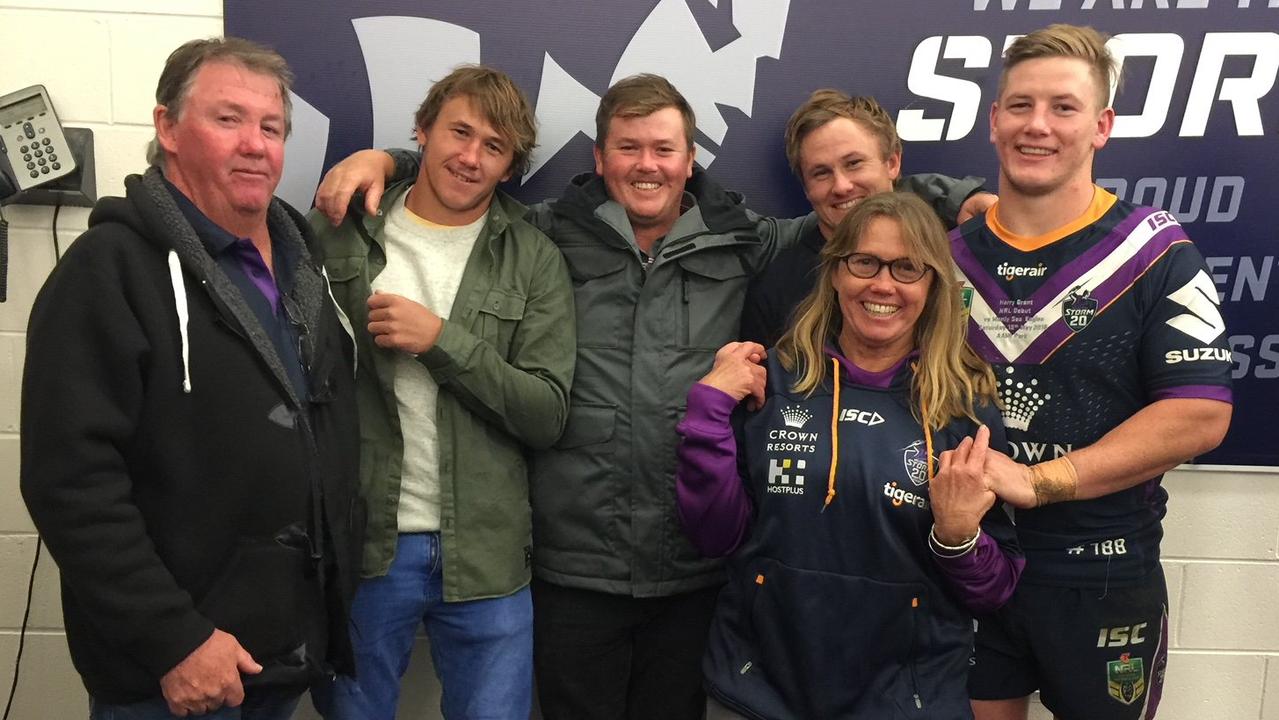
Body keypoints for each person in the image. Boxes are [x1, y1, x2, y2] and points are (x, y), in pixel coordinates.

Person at [310, 74, 988, 719]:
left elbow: (857, 205)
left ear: (689, 159)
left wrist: (954, 194)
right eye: (628, 148)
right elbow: (465, 176)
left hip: (693, 571)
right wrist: (392, 161)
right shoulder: (546, 230)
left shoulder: (744, 240)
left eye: (663, 148)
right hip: (573, 565)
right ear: (601, 160)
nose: (647, 165)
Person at [20, 37, 362, 720]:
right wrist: (173, 639)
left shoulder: (303, 269)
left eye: (271, 127)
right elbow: (70, 482)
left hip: (278, 658)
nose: (254, 145)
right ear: (168, 128)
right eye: (227, 119)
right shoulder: (107, 270)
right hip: (176, 673)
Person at [952, 24, 1234, 720]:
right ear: (993, 120)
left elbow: (1199, 414)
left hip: (1100, 568)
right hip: (966, 558)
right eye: (1019, 105)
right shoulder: (945, 256)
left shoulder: (1156, 252)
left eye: (1063, 107)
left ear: (1101, 125)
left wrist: (1038, 482)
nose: (1036, 125)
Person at [677, 191, 1023, 719]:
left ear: (933, 286)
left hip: (906, 699)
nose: (882, 284)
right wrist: (706, 410)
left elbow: (993, 591)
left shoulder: (964, 410)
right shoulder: (770, 380)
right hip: (757, 690)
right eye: (864, 262)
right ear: (836, 272)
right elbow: (712, 536)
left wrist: (959, 539)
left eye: (907, 268)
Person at [307, 65, 575, 720]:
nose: (470, 157)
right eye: (459, 132)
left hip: (486, 552)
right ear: (421, 131)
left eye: (493, 146)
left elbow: (545, 414)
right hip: (366, 545)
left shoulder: (533, 256)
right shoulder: (337, 231)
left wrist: (440, 342)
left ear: (510, 167)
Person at [742, 90, 992, 348]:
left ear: (892, 163)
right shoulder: (778, 286)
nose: (841, 186)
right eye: (821, 173)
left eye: (854, 164)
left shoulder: (957, 246)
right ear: (806, 188)